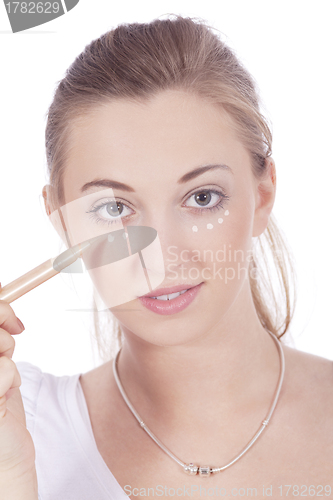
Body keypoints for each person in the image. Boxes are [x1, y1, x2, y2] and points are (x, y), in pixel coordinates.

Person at [1, 14, 332, 500]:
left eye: (202, 198)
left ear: (262, 195)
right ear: (62, 221)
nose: (161, 257)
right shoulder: (20, 426)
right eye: (114, 208)